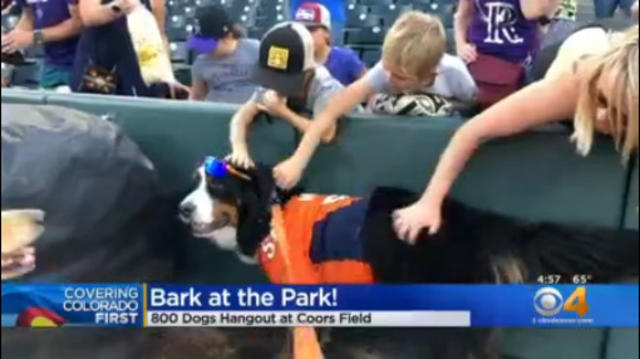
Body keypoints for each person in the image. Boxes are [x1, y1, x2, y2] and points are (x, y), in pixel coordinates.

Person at [391, 26, 638, 243]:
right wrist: (429, 202)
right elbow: (471, 132)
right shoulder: (570, 86)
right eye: (602, 100)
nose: (603, 116)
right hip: (571, 55)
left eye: (623, 116)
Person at [273, 12, 477, 187]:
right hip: (394, 155)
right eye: (387, 70)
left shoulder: (454, 72)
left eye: (400, 77)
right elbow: (332, 110)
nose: (389, 78)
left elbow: (476, 108)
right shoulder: (384, 70)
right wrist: (298, 161)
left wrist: (446, 106)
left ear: (429, 75)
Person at [227, 22, 350, 169]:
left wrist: (283, 112)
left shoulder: (324, 85)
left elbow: (326, 134)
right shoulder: (269, 82)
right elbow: (241, 117)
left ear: (307, 71)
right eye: (273, 78)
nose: (278, 86)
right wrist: (239, 149)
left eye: (285, 80)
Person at [454, 0, 560, 105]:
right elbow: (463, 14)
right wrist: (461, 44)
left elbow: (531, 12)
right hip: (479, 59)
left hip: (519, 63)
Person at [73, 0, 175, 97]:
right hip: (100, 64)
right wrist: (120, 6)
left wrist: (167, 76)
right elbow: (89, 16)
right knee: (95, 110)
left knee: (141, 110)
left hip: (137, 68)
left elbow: (160, 33)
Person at [1, 0, 82, 89]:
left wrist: (35, 37)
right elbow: (29, 17)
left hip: (80, 64)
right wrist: (9, 40)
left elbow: (79, 23)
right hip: (51, 65)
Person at [189, 5, 259, 103]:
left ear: (229, 35)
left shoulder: (256, 50)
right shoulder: (201, 63)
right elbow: (197, 97)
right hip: (215, 113)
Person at [294, 1, 365, 86]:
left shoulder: (345, 59)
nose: (305, 35)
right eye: (300, 30)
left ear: (327, 33)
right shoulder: (292, 62)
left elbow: (372, 92)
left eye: (311, 30)